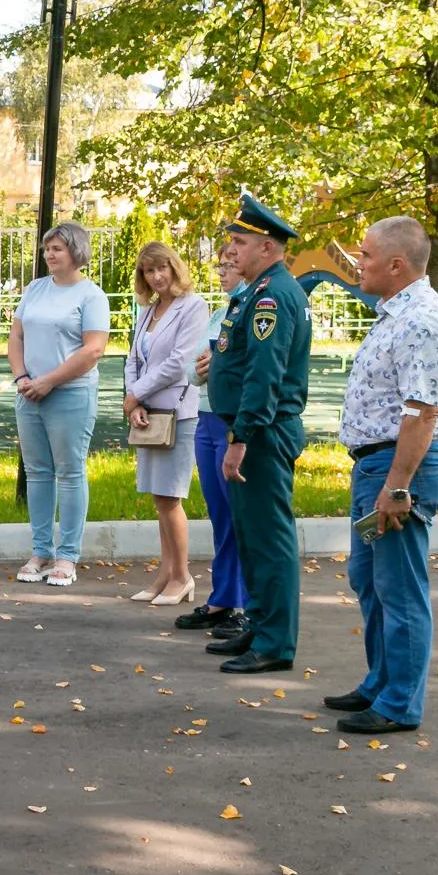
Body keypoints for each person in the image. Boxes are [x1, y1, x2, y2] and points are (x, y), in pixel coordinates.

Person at [324, 217, 438, 734]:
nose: (359, 262)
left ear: (396, 265)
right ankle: (381, 682)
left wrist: (397, 486)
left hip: (399, 468)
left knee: (399, 589)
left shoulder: (421, 319)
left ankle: (399, 703)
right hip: (377, 465)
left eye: (366, 255)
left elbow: (422, 412)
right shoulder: (397, 314)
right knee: (372, 581)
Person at [204, 194, 312, 675]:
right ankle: (262, 627)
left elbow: (263, 375)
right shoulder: (256, 291)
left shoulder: (272, 296)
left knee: (269, 540)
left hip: (263, 434)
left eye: (240, 242)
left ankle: (275, 643)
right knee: (251, 537)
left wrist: (241, 438)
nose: (231, 251)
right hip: (250, 430)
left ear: (267, 248)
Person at [7, 222, 111, 588]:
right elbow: (16, 335)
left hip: (70, 394)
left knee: (69, 472)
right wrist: (22, 379)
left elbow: (93, 349)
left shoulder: (91, 296)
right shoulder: (35, 289)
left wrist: (49, 381)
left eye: (58, 249)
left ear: (75, 253)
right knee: (37, 472)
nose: (50, 254)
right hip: (29, 394)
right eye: (47, 248)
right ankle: (41, 551)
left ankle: (67, 556)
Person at [122, 242, 209, 606]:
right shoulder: (148, 310)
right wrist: (134, 400)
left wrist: (136, 393)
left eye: (162, 269)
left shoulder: (194, 307)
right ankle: (165, 574)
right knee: (159, 498)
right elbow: (132, 359)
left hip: (178, 412)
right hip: (148, 413)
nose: (156, 277)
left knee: (171, 497)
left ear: (175, 268)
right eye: (148, 271)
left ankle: (182, 577)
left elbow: (178, 362)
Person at [181, 249, 250, 639]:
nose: (222, 273)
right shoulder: (221, 313)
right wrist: (202, 369)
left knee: (239, 514)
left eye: (230, 266)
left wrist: (216, 368)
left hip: (231, 420)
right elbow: (192, 370)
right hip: (206, 417)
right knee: (219, 513)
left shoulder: (255, 311)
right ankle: (223, 597)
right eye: (220, 266)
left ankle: (243, 604)